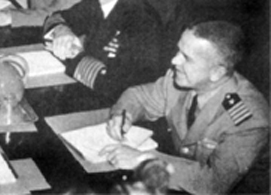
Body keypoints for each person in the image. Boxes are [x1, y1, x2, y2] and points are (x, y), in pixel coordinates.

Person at [102, 21, 269, 194]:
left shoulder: (248, 120)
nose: (174, 60)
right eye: (178, 51)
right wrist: (124, 115)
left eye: (186, 58)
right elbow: (138, 97)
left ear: (217, 72)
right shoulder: (182, 81)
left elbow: (213, 183)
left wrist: (143, 160)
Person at [43, 0, 163, 103]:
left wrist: (73, 55)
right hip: (90, 94)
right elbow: (56, 18)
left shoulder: (141, 21)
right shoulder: (96, 4)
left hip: (120, 111)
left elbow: (115, 85)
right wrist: (63, 32)